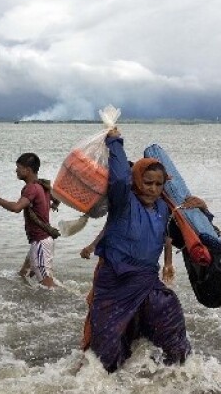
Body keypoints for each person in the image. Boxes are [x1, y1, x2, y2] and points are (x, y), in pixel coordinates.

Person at [81, 127, 204, 371]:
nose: (153, 189)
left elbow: (185, 235)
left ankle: (179, 373)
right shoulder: (124, 202)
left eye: (159, 184)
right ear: (136, 181)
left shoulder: (163, 208)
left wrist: (202, 208)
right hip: (115, 281)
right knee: (106, 349)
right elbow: (117, 179)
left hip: (147, 282)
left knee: (169, 315)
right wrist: (115, 142)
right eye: (147, 182)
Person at [0, 152, 58, 288]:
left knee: (48, 286)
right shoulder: (42, 185)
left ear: (28, 170)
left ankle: (67, 304)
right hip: (41, 241)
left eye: (18, 167)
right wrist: (53, 205)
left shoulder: (32, 188)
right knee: (23, 274)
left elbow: (17, 208)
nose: (16, 170)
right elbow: (57, 198)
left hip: (40, 242)